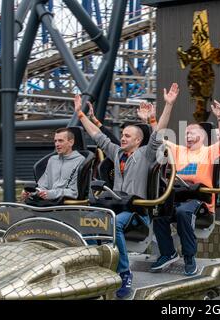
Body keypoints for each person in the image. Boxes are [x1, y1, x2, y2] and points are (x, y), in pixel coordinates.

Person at [74, 83, 179, 299]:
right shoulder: (118, 153)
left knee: (114, 224)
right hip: (116, 206)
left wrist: (167, 106)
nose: (122, 138)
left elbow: (158, 133)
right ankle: (99, 264)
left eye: (127, 136)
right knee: (87, 223)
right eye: (122, 135)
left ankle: (124, 272)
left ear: (139, 141)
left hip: (137, 212)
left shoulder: (146, 154)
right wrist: (80, 115)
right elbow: (98, 137)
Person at [151, 100, 220, 276]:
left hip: (200, 200)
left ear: (202, 136)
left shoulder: (209, 151)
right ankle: (168, 253)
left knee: (183, 213)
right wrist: (153, 118)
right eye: (185, 133)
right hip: (178, 196)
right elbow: (157, 138)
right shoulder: (178, 150)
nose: (187, 135)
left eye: (191, 133)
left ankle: (189, 257)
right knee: (158, 213)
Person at [21, 128, 85, 203]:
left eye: (60, 141)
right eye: (55, 141)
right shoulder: (52, 160)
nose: (57, 144)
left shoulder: (80, 161)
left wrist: (51, 194)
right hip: (49, 204)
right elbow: (43, 186)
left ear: (71, 142)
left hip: (66, 206)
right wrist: (32, 192)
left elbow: (74, 192)